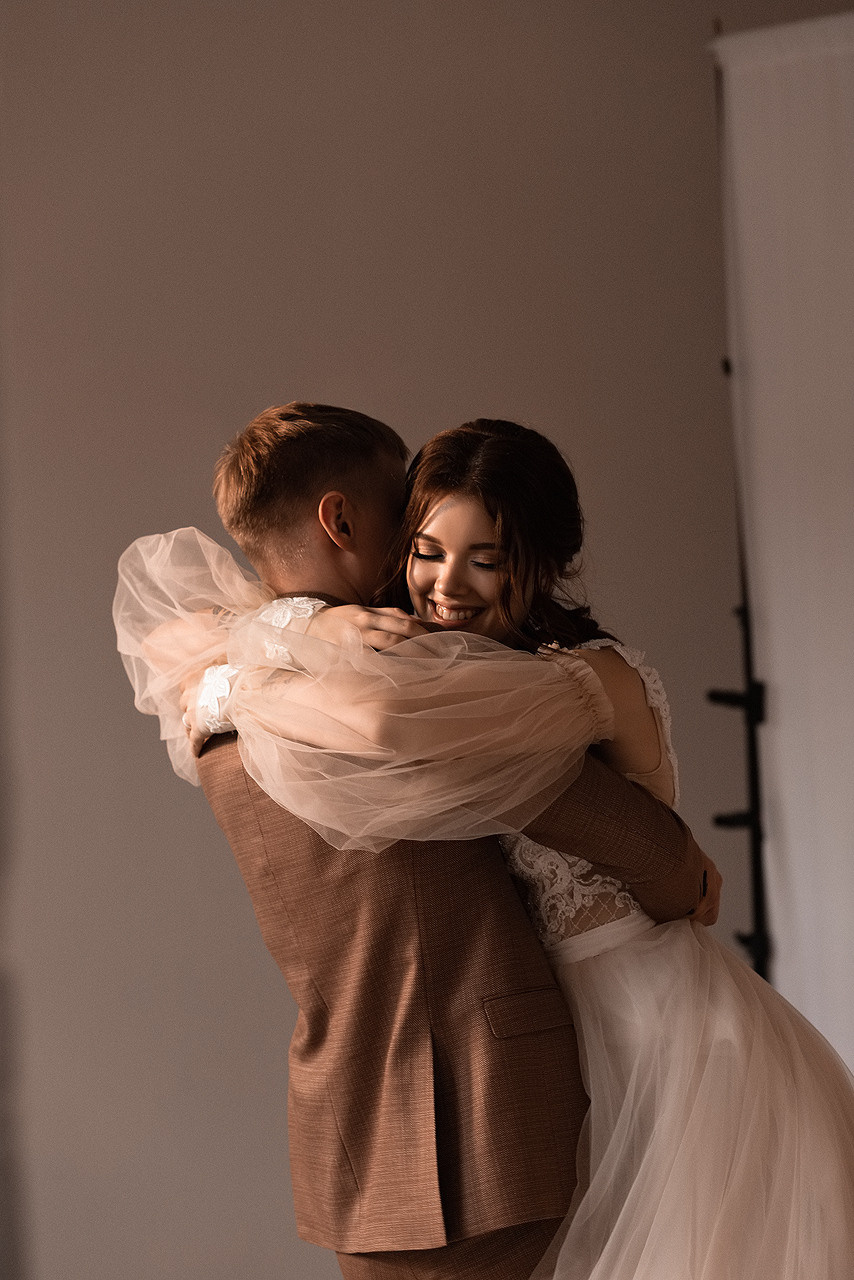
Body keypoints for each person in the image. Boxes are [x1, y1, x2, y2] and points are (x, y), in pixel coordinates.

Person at [186, 414, 854, 1278]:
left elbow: (391, 718)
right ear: (347, 523)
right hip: (529, 1063)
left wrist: (244, 669)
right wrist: (297, 641)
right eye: (421, 542)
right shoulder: (385, 675)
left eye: (485, 557)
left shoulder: (557, 681)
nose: (436, 583)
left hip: (651, 1025)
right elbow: (400, 725)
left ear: (539, 558)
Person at [115, 403, 707, 1280]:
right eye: (407, 514)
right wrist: (681, 869)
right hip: (472, 1118)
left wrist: (295, 624)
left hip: (351, 1127)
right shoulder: (376, 687)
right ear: (342, 519)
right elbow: (551, 791)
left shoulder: (211, 690)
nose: (419, 556)